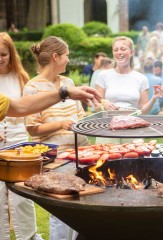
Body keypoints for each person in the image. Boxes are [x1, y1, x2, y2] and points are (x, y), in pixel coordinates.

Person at [24, 36, 91, 240]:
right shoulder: (32, 88)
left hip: (81, 155)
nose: (68, 60)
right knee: (61, 213)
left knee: (82, 210)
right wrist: (61, 124)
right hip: (57, 159)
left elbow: (79, 117)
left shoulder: (68, 82)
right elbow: (33, 128)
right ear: (55, 57)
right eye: (66, 56)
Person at [0, 32, 43, 240]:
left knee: (21, 194)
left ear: (11, 54)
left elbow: (29, 111)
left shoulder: (21, 78)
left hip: (18, 143)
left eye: (3, 54)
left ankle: (29, 235)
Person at [95, 36, 163, 114]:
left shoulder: (141, 79)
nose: (119, 52)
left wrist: (154, 98)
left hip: (132, 122)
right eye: (116, 50)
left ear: (132, 52)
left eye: (123, 49)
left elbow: (143, 111)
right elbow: (96, 106)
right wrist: (103, 104)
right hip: (108, 122)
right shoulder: (103, 75)